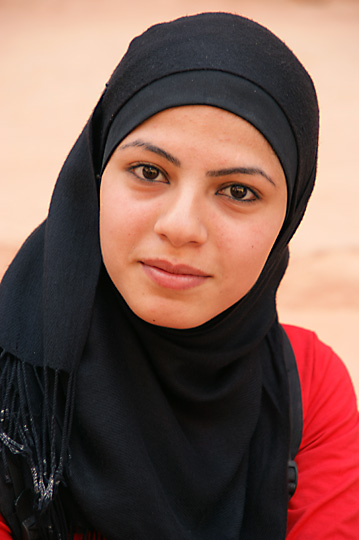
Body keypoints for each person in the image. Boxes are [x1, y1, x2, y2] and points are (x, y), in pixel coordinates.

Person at [0, 11, 358, 540]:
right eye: (149, 172)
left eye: (238, 191)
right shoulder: (16, 385)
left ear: (287, 219)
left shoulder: (309, 385)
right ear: (97, 176)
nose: (181, 227)